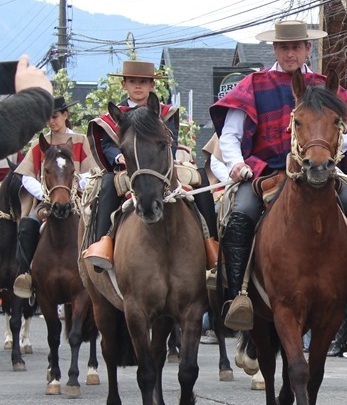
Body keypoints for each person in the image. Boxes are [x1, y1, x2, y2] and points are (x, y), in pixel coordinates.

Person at [210, 20, 347, 331]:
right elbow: (229, 136)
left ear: (308, 49)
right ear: (275, 49)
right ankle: (239, 294)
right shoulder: (253, 84)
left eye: (296, 46)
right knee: (240, 215)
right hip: (264, 174)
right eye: (284, 46)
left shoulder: (325, 85)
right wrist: (238, 165)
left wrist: (327, 155)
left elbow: (345, 134)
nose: (290, 53)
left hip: (319, 172)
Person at [81, 60, 218, 271]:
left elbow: (169, 144)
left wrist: (160, 162)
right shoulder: (116, 117)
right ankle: (103, 244)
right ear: (124, 85)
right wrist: (119, 157)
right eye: (133, 81)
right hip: (128, 168)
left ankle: (212, 245)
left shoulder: (164, 113)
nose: (138, 86)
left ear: (152, 86)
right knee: (108, 185)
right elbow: (107, 145)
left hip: (161, 166)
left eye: (144, 82)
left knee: (201, 177)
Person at [11, 96, 97, 298]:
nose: (51, 121)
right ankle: (26, 276)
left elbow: (92, 171)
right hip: (46, 202)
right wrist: (45, 192)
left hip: (78, 200)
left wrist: (72, 186)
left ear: (65, 115)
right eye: (48, 117)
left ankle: (99, 273)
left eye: (55, 116)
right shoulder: (38, 144)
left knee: (98, 225)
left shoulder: (80, 140)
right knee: (26, 227)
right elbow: (26, 176)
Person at [0, 55, 55, 158]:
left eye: (55, 116)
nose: (52, 121)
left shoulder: (78, 138)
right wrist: (37, 97)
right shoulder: (39, 142)